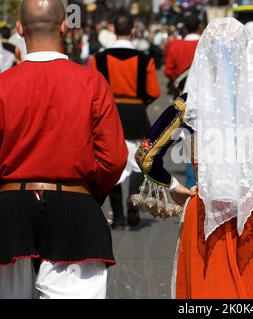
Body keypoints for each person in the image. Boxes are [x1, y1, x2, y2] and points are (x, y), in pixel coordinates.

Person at [133, 18, 253, 299]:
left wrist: (175, 188)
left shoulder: (188, 106)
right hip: (252, 211)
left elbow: (146, 155)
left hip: (203, 209)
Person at [0, 0, 128, 299]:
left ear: (20, 28)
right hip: (73, 207)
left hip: (9, 211)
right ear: (64, 25)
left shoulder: (3, 84)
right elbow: (114, 158)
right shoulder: (91, 82)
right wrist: (85, 194)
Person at [89, 14, 161, 229]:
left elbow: (91, 89)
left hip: (109, 111)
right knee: (139, 163)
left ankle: (118, 217)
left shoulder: (99, 58)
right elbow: (154, 91)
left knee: (111, 162)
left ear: (114, 32)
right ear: (133, 30)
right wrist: (141, 103)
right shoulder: (144, 58)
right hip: (137, 112)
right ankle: (133, 208)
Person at [164, 14, 202, 98]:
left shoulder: (175, 45)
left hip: (181, 93)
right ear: (200, 26)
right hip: (203, 93)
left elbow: (168, 71)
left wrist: (179, 79)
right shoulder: (208, 45)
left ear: (184, 27)